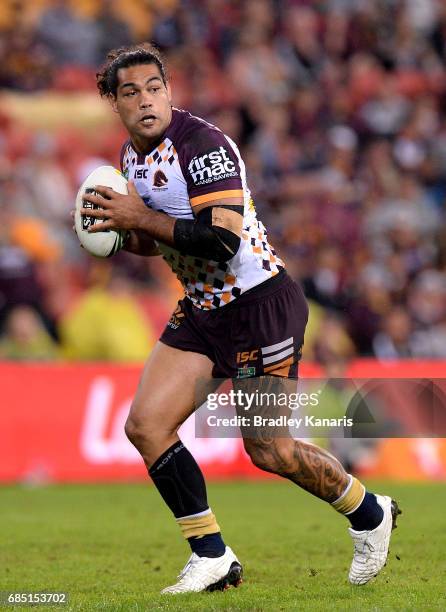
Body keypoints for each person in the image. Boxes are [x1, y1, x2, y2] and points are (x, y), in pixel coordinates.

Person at [80, 43, 401, 594]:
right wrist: (117, 235)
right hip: (205, 312)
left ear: (169, 89)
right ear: (114, 102)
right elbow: (163, 243)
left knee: (269, 451)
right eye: (130, 92)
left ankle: (370, 512)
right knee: (145, 426)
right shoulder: (130, 159)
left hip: (260, 308)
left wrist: (141, 216)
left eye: (154, 88)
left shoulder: (204, 147)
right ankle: (212, 555)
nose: (145, 100)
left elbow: (223, 240)